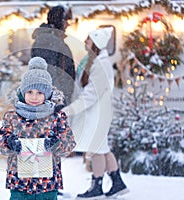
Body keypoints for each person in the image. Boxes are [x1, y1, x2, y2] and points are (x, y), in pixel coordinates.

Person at [0, 57, 76, 200]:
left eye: (40, 92)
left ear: (48, 94)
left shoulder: (56, 117)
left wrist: (56, 144)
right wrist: (9, 142)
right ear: (22, 92)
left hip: (47, 183)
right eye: (30, 92)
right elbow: (0, 142)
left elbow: (69, 142)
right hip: (19, 182)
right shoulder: (13, 117)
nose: (34, 97)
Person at [62, 27, 129, 199]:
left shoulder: (101, 64)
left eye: (88, 39)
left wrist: (69, 110)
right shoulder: (92, 60)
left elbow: (91, 94)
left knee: (98, 148)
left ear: (97, 43)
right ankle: (117, 182)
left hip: (97, 113)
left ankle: (97, 185)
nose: (85, 41)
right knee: (102, 148)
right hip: (96, 113)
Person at [31, 5, 75, 106]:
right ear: (59, 21)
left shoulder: (54, 40)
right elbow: (49, 73)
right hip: (54, 103)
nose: (68, 25)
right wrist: (58, 99)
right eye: (66, 21)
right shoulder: (47, 41)